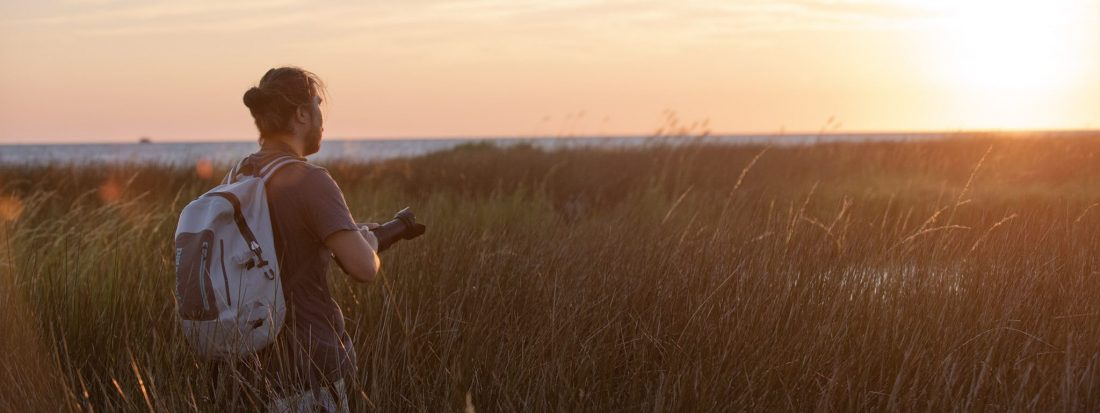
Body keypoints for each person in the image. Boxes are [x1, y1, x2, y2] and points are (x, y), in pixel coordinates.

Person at [235, 66, 379, 412]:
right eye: (316, 105)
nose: (321, 118)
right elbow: (363, 268)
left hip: (248, 368)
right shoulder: (310, 179)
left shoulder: (240, 175)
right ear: (300, 114)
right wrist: (370, 245)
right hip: (308, 372)